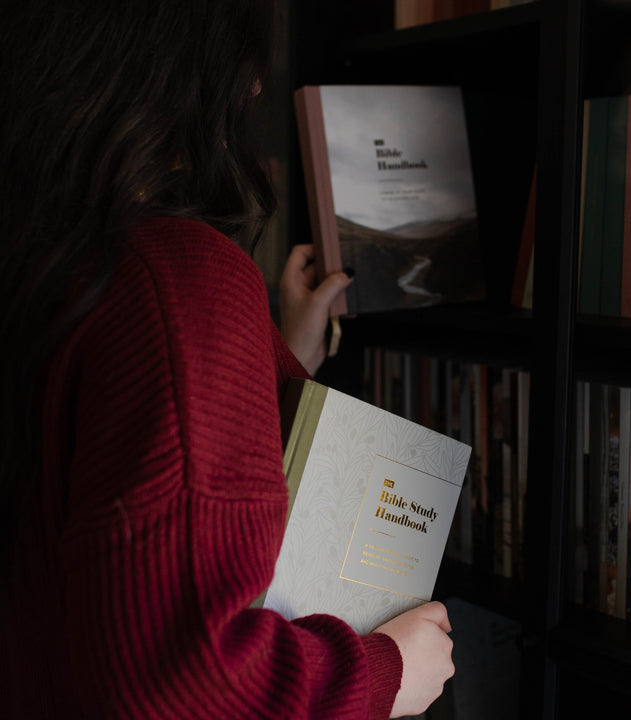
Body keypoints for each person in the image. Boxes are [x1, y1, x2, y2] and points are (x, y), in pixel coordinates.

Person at [0, 2, 454, 718]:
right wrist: (388, 671)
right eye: (242, 59)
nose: (251, 91)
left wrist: (279, 347)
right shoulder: (178, 276)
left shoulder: (49, 256)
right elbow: (185, 675)